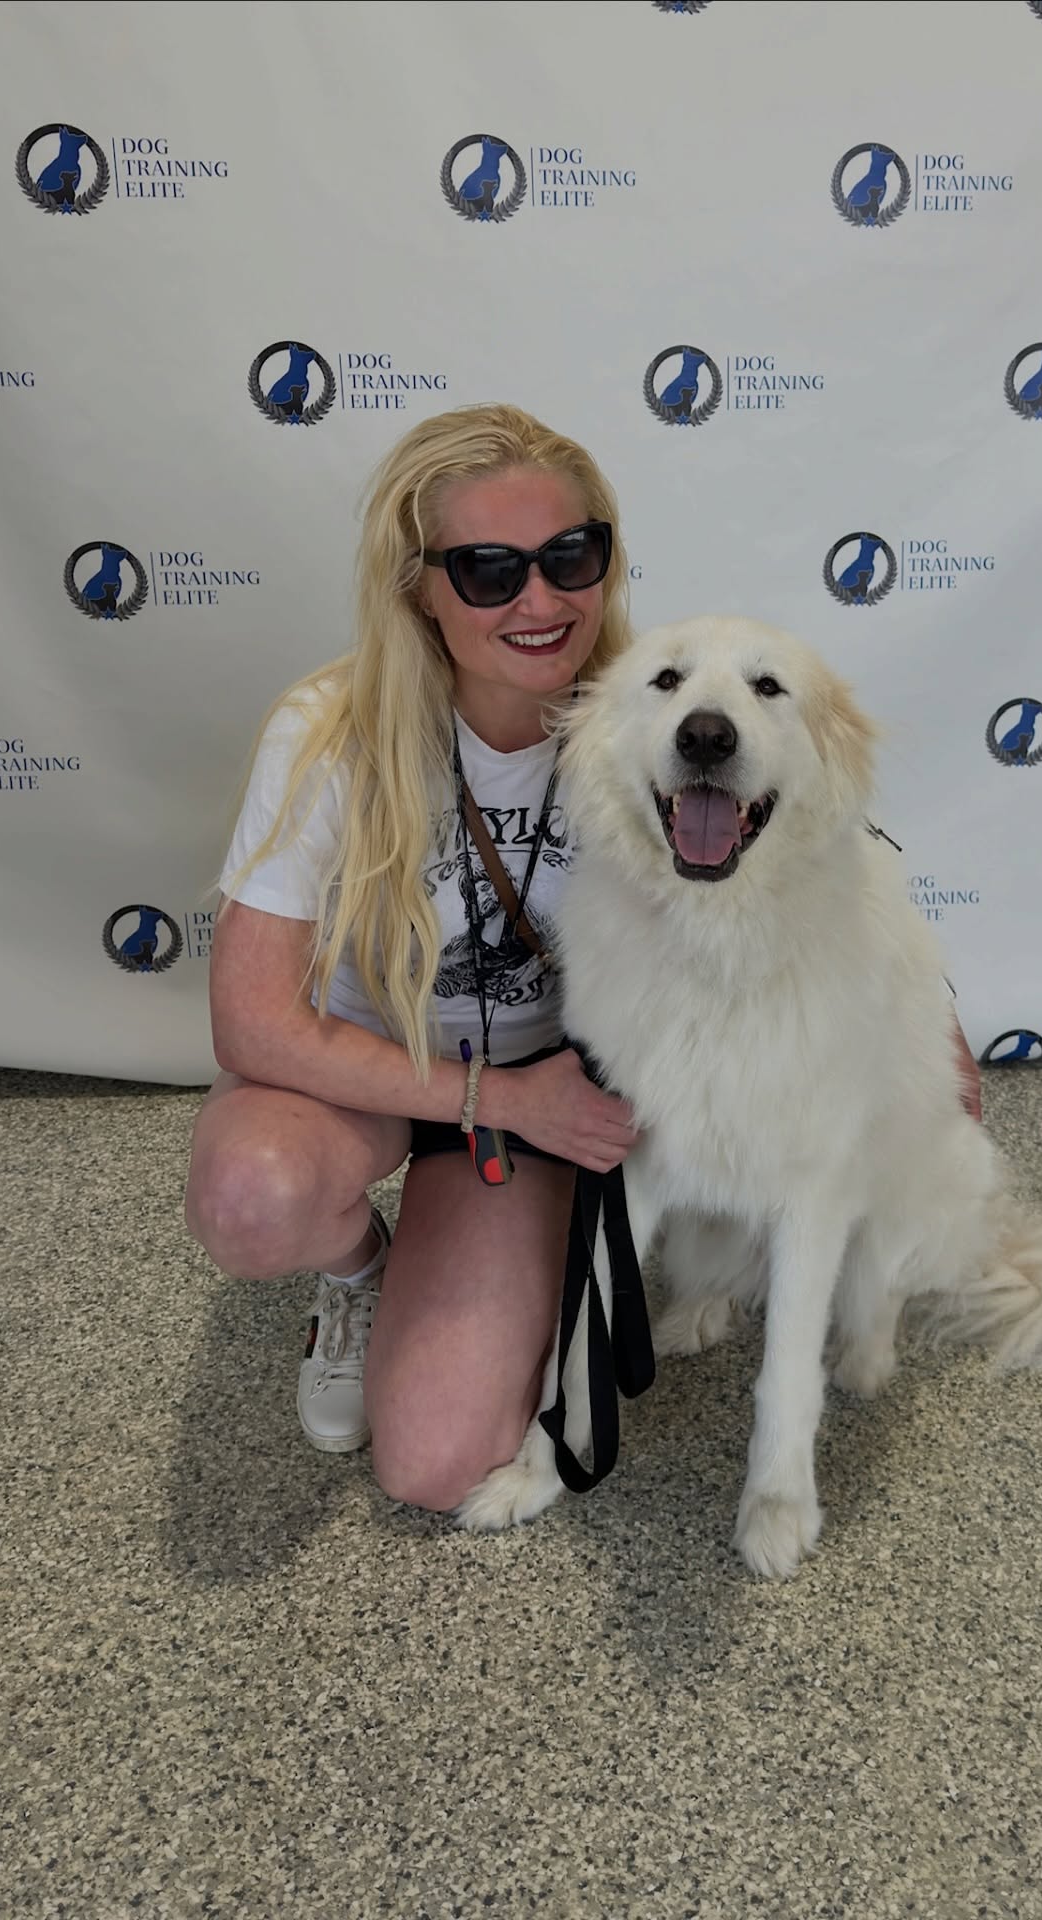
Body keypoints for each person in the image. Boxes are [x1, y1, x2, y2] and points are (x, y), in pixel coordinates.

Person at [185, 404, 640, 1510]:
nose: (542, 601)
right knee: (251, 1198)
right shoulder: (331, 728)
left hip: (540, 1092)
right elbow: (251, 1023)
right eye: (489, 571)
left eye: (571, 555)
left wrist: (929, 1025)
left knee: (436, 1463)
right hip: (375, 1074)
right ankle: (355, 1273)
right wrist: (500, 1100)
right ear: (419, 587)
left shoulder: (650, 711)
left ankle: (497, 1240)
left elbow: (822, 862)